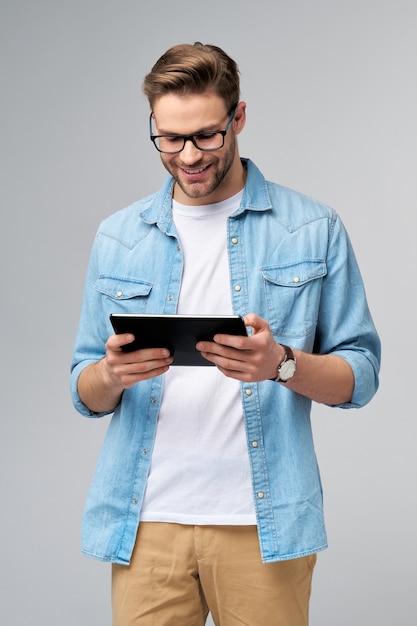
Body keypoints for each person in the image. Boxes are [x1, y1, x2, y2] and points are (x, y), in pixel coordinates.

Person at [71, 42, 381, 626]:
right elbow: (82, 390)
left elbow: (360, 376)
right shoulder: (117, 238)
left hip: (263, 526)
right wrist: (111, 374)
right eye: (169, 138)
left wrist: (282, 364)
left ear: (239, 118)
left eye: (207, 135)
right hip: (146, 525)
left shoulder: (313, 229)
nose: (188, 155)